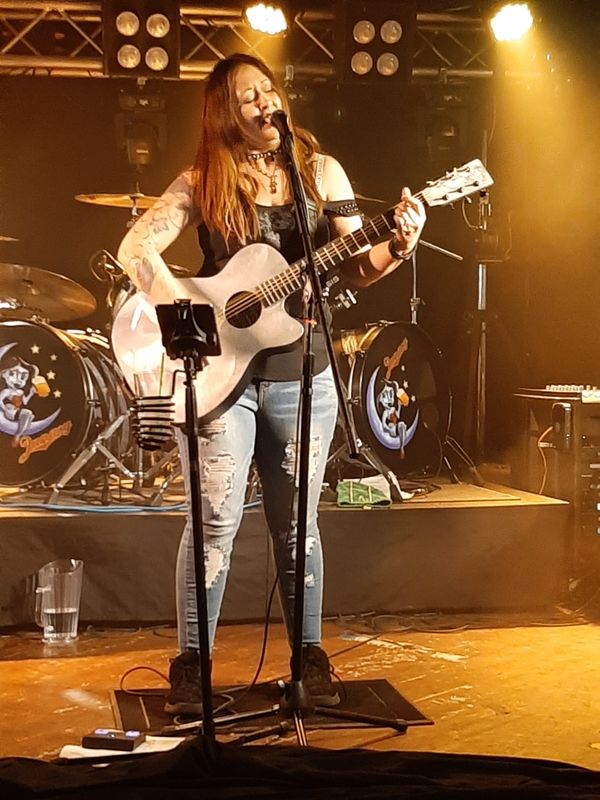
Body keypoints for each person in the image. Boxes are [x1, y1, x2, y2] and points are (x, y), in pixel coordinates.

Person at [117, 53, 426, 715]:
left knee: (298, 526)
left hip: (303, 374)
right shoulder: (202, 180)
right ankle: (192, 665)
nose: (264, 101)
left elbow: (357, 264)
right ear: (223, 113)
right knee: (214, 524)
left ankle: (309, 657)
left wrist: (400, 244)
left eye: (268, 89)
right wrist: (188, 310)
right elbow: (135, 249)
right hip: (220, 381)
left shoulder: (321, 172)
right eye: (246, 95)